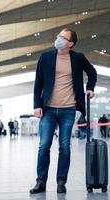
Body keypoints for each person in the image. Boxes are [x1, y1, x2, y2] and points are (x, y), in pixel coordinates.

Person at [30, 28, 97, 194]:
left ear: (70, 43)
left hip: (68, 109)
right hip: (48, 110)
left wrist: (90, 88)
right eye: (59, 36)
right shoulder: (45, 57)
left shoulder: (78, 58)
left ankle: (61, 182)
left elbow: (92, 72)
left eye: (62, 37)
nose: (58, 38)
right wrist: (37, 104)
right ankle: (41, 182)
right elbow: (38, 82)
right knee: (44, 146)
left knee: (64, 146)